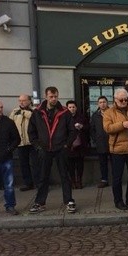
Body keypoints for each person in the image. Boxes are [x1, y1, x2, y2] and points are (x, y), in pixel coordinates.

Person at [28, 86, 77, 214]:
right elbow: (31, 132)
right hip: (44, 149)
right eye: (51, 96)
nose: (54, 99)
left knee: (65, 176)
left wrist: (67, 145)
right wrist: (38, 146)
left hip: (61, 148)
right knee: (43, 176)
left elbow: (72, 131)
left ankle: (69, 201)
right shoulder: (38, 112)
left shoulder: (65, 112)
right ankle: (40, 202)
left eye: (55, 96)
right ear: (46, 96)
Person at [9, 94, 39, 192]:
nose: (21, 102)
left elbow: (36, 119)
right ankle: (28, 183)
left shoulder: (35, 111)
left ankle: (39, 183)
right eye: (20, 100)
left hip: (33, 142)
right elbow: (10, 124)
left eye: (24, 100)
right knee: (24, 164)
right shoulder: (15, 112)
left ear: (29, 101)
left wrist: (24, 112)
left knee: (36, 164)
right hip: (21, 142)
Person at [66, 100, 89, 189]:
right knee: (70, 165)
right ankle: (72, 181)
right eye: (70, 107)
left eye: (73, 107)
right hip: (69, 145)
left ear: (76, 108)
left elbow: (88, 128)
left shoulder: (81, 117)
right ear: (67, 108)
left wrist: (82, 127)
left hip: (80, 144)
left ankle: (79, 181)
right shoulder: (64, 118)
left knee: (80, 164)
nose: (72, 109)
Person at [90, 96, 111, 188]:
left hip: (112, 142)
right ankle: (104, 180)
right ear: (98, 104)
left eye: (104, 102)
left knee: (115, 162)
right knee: (103, 163)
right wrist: (95, 139)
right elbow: (92, 129)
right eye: (100, 102)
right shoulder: (95, 115)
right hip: (101, 143)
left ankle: (116, 179)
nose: (102, 104)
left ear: (107, 103)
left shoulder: (112, 113)